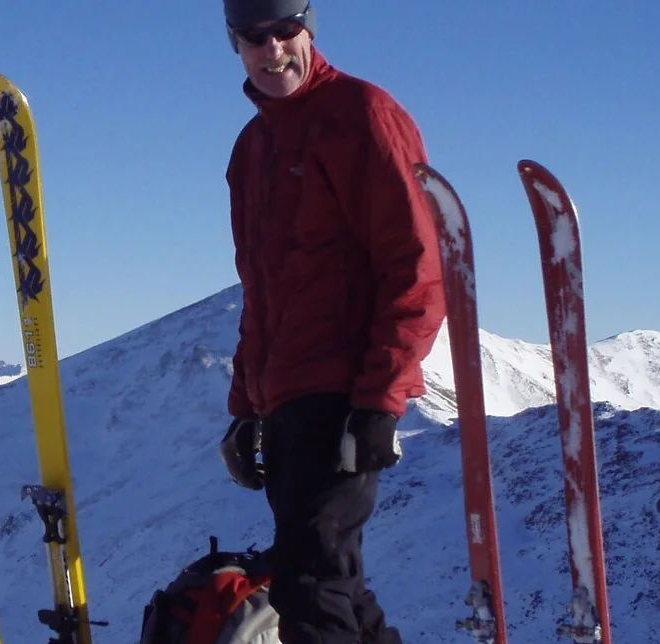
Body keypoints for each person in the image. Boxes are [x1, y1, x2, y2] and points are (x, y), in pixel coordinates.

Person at [215, 1, 444, 643]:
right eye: (255, 37)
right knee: (331, 578)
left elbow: (417, 264)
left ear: (309, 30)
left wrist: (381, 398)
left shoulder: (363, 116)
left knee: (310, 585)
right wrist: (246, 406)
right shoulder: (251, 148)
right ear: (235, 43)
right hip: (287, 398)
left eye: (286, 31)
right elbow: (263, 292)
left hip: (343, 392)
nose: (273, 48)